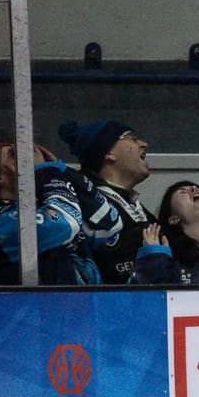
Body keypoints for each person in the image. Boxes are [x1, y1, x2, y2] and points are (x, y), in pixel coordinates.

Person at [0, 142, 105, 286]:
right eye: (14, 155)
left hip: (83, 304)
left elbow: (108, 223)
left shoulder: (45, 203)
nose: (28, 157)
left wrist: (63, 170)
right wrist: (48, 172)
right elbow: (65, 222)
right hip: (40, 308)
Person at [58, 117, 151, 283]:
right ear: (109, 153)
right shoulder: (80, 205)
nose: (144, 144)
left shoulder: (138, 208)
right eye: (132, 138)